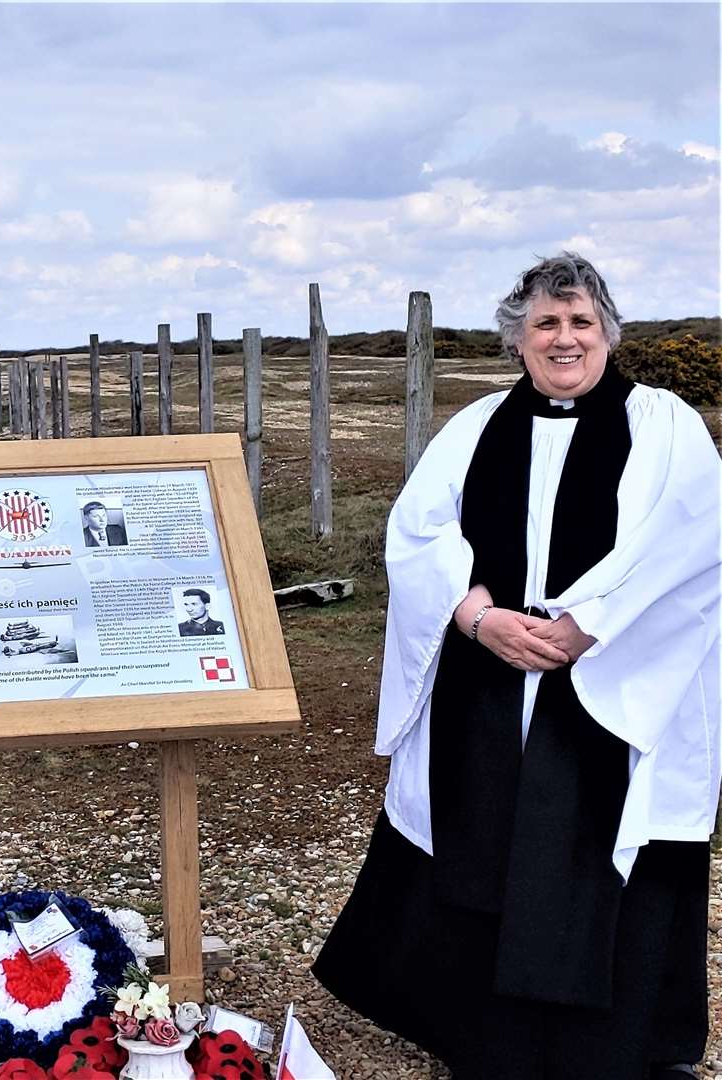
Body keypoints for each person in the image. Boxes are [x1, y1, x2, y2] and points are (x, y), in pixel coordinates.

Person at [311, 253, 720, 1080]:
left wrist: (585, 627)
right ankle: (484, 1037)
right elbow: (418, 534)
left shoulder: (665, 422)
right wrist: (477, 616)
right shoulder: (475, 427)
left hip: (608, 670)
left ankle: (604, 1046)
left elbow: (691, 543)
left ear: (607, 333)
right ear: (517, 339)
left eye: (579, 322)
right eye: (545, 323)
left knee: (592, 838)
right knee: (483, 829)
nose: (563, 338)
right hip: (490, 674)